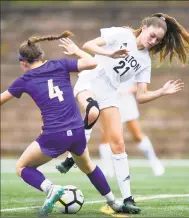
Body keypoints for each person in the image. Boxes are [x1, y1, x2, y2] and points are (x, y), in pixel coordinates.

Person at [56, 12, 189, 211]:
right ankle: (70, 157)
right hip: (91, 79)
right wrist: (110, 54)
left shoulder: (145, 61)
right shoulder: (122, 34)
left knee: (118, 144)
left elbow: (141, 96)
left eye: (158, 40)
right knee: (92, 112)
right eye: (152, 35)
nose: (153, 41)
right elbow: (88, 46)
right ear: (144, 27)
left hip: (110, 91)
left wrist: (162, 91)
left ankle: (128, 199)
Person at [0, 31, 140, 216]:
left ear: (23, 62)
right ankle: (113, 203)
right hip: (77, 131)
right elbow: (92, 62)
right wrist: (76, 50)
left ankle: (51, 188)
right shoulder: (60, 64)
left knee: (22, 167)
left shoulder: (24, 79)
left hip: (54, 135)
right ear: (41, 56)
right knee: (88, 166)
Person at [98, 78, 165, 178]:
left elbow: (139, 87)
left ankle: (154, 162)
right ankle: (107, 169)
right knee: (106, 138)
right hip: (108, 103)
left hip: (126, 102)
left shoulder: (131, 64)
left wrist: (123, 91)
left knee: (137, 135)